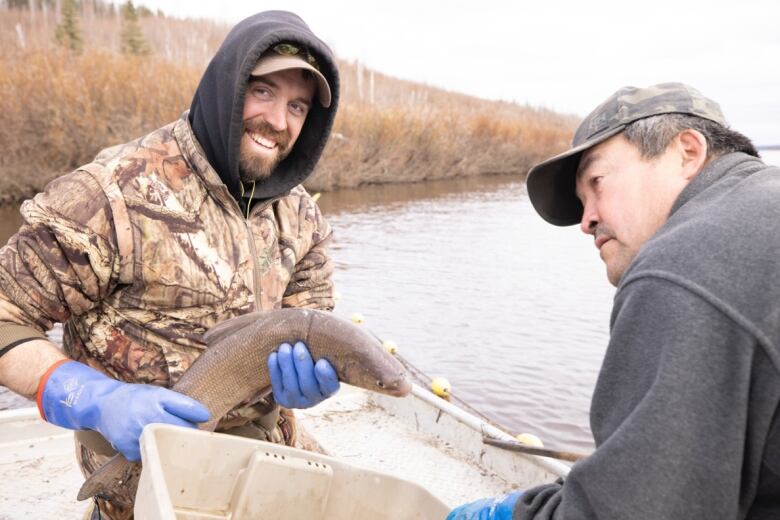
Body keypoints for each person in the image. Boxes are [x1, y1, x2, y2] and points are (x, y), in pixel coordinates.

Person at [0, 10, 343, 519]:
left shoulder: (301, 215)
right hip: (147, 476)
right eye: (264, 91)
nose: (279, 121)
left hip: (268, 455)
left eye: (298, 105)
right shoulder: (110, 193)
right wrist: (95, 399)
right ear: (227, 84)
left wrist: (312, 377)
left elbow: (314, 319)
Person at [447, 83, 780, 519]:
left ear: (688, 152)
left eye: (597, 182)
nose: (586, 221)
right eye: (583, 201)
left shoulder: (682, 264)